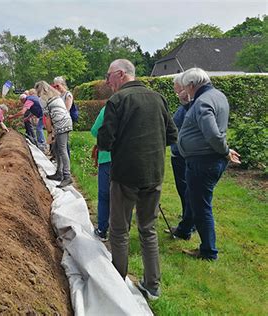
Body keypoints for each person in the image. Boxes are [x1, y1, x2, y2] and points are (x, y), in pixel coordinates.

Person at [97, 59, 178, 300]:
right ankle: (152, 285)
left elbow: (105, 141)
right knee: (148, 229)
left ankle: (117, 287)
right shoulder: (158, 98)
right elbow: (172, 134)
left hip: (125, 176)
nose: (107, 81)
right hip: (153, 174)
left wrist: (128, 147)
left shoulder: (118, 100)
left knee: (119, 231)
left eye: (109, 76)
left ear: (120, 74)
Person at [176, 68, 241, 260]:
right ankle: (184, 230)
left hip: (203, 162)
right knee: (194, 198)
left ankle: (208, 251)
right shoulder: (217, 95)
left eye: (186, 87)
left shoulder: (203, 101)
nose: (185, 91)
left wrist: (224, 150)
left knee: (201, 206)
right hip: (204, 160)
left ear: (193, 85)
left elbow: (213, 134)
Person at [164, 73, 195, 240]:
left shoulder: (192, 108)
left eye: (178, 91)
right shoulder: (185, 107)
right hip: (179, 153)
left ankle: (188, 225)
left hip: (183, 155)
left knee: (187, 191)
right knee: (184, 191)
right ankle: (188, 220)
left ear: (186, 89)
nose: (177, 95)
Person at [35, 81, 73, 188]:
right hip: (65, 121)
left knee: (62, 149)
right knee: (56, 148)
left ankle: (67, 176)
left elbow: (46, 118)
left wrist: (50, 133)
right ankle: (59, 173)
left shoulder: (43, 99)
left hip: (61, 123)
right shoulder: (56, 95)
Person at [90, 107, 112, 242]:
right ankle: (120, 232)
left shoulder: (108, 108)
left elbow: (94, 130)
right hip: (129, 159)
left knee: (104, 195)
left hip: (108, 157)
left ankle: (103, 229)